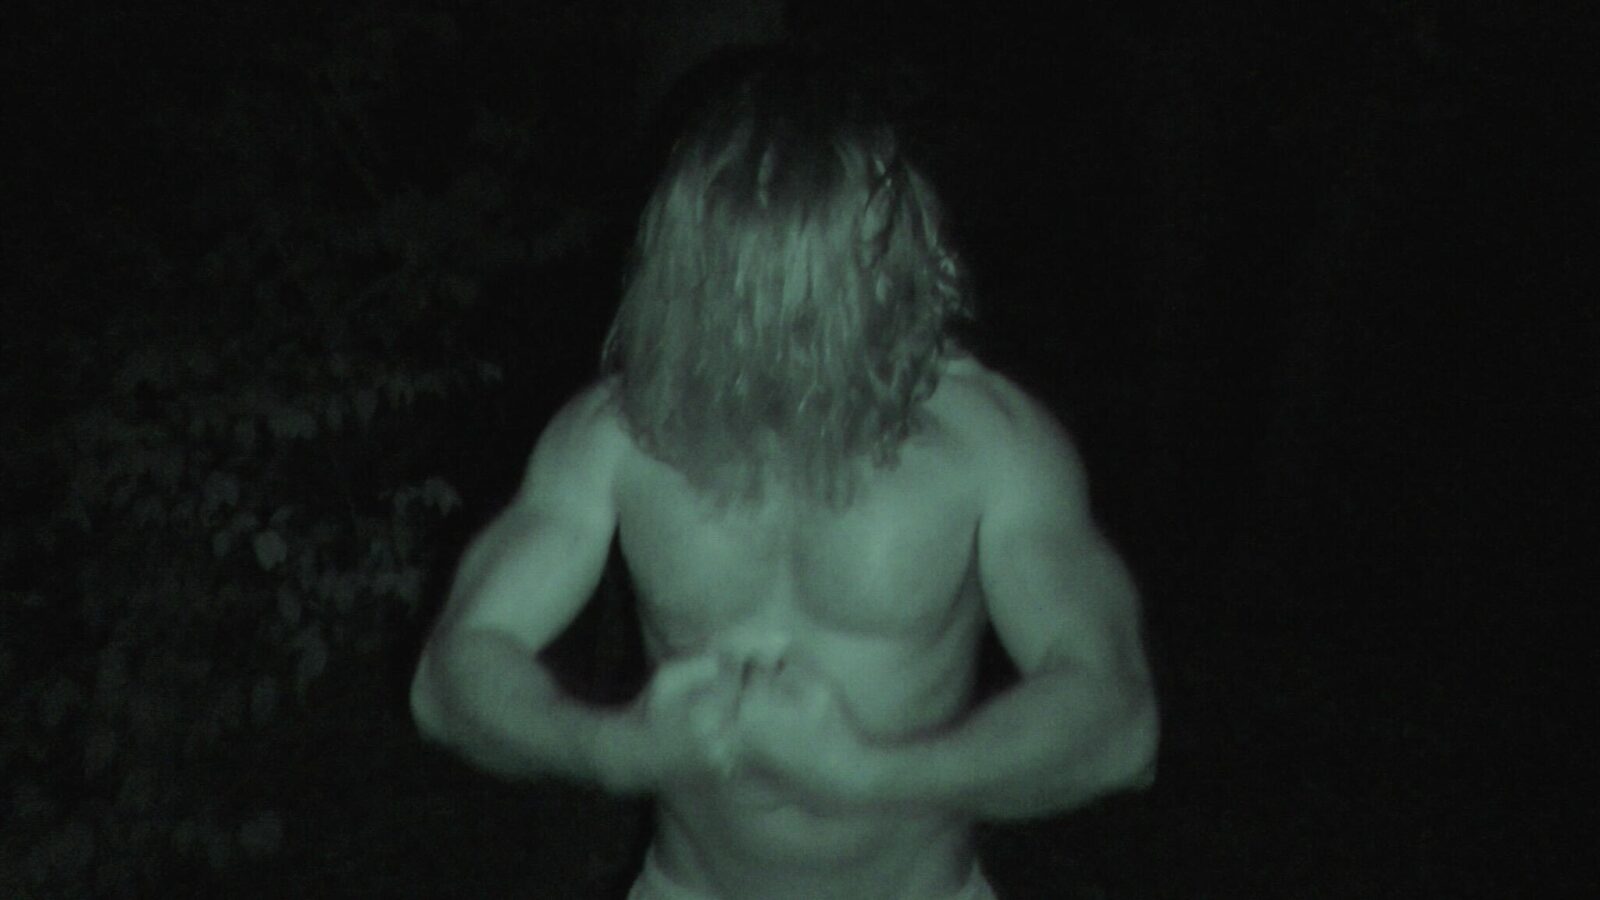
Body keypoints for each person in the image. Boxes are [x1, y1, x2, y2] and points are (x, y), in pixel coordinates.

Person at [410, 49, 1158, 900]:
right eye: (751, 268)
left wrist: (869, 777)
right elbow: (448, 679)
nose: (784, 303)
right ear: (692, 259)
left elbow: (1119, 724)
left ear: (894, 249)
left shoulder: (991, 443)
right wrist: (615, 751)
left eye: (815, 264)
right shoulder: (616, 436)